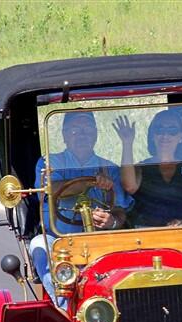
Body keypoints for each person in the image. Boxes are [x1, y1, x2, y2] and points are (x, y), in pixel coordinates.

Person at [29, 111, 132, 305]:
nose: (82, 134)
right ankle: (65, 305)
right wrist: (89, 183)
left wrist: (112, 221)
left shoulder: (108, 167)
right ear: (65, 135)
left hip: (100, 240)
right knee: (38, 245)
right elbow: (49, 191)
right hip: (60, 240)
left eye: (87, 129)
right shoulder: (49, 163)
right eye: (75, 129)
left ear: (95, 134)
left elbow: (121, 208)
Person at [113, 109, 182, 227]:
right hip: (146, 234)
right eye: (159, 129)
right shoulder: (141, 167)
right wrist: (127, 143)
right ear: (152, 135)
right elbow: (129, 186)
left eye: (172, 130)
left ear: (181, 136)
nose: (165, 135)